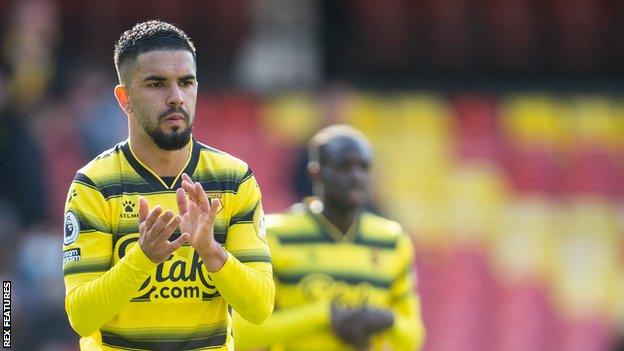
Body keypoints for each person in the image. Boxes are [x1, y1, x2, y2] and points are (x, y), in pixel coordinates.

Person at [62, 20, 274, 351]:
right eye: (156, 84)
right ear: (124, 98)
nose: (176, 97)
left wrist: (210, 251)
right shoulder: (95, 185)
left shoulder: (234, 179)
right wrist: (142, 257)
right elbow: (82, 318)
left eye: (186, 82)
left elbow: (260, 307)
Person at [234, 124, 426, 350]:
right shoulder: (275, 236)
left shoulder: (392, 241)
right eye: (344, 167)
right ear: (315, 172)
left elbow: (413, 339)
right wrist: (324, 315)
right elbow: (241, 333)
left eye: (363, 167)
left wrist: (387, 320)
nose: (356, 177)